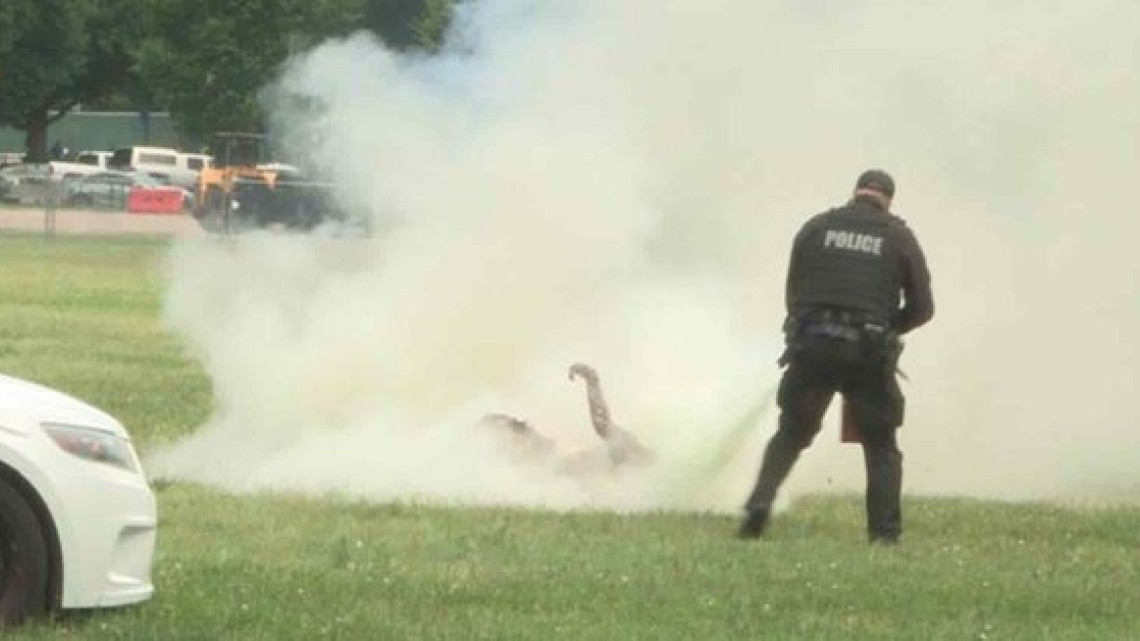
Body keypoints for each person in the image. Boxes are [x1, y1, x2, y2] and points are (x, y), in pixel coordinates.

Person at [739, 169, 934, 544]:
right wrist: (889, 328)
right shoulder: (898, 237)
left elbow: (794, 293)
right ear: (888, 199)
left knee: (792, 433)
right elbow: (923, 308)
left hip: (811, 346)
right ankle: (883, 537)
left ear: (855, 193)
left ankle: (758, 507)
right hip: (867, 352)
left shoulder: (815, 228)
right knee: (881, 446)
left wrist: (809, 325)